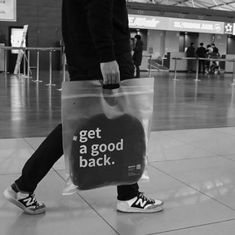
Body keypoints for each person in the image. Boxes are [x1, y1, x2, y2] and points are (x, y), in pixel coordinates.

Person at [3, 0, 164, 215]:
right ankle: (129, 196)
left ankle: (23, 186)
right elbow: (99, 9)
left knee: (75, 127)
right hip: (104, 61)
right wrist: (107, 57)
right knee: (124, 123)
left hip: (86, 59)